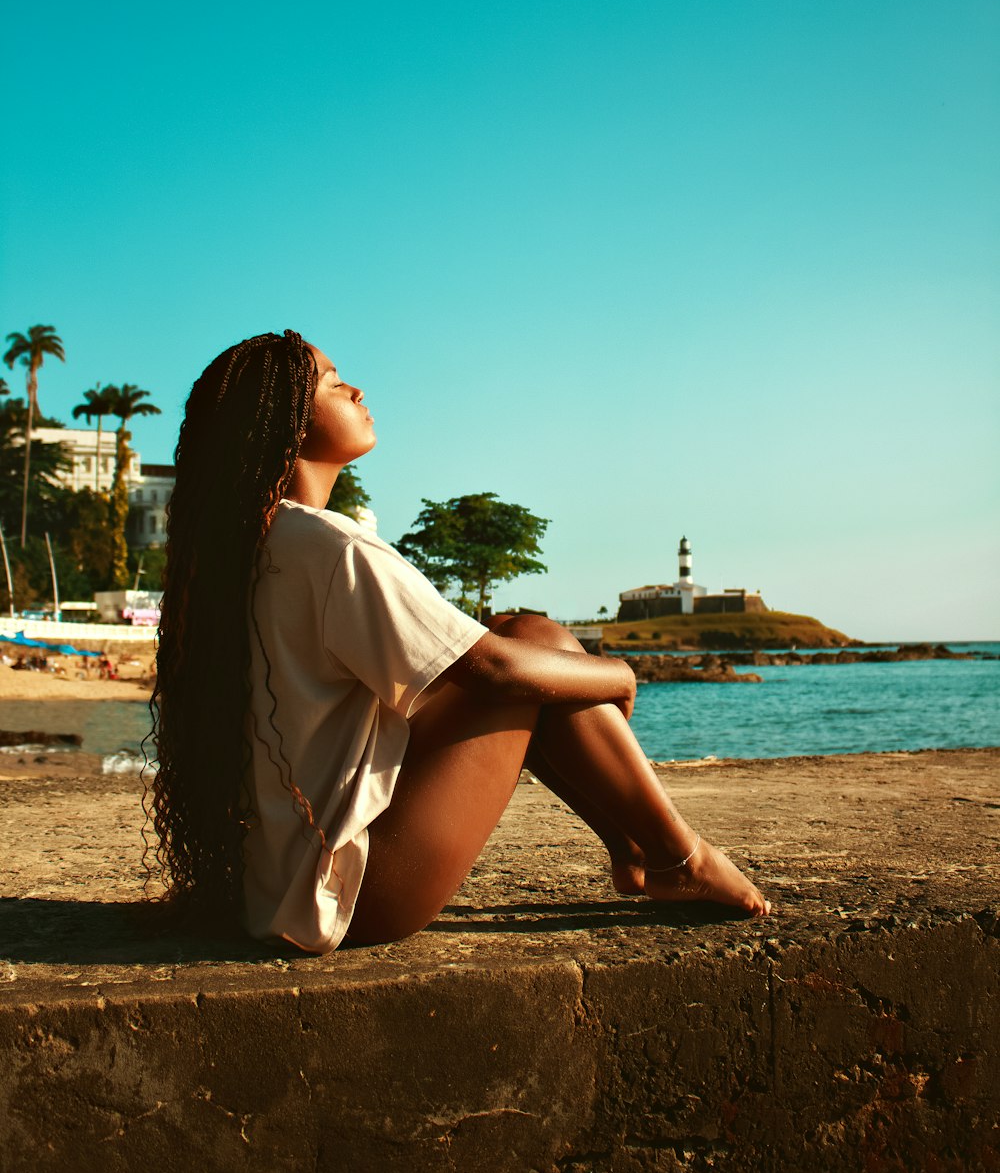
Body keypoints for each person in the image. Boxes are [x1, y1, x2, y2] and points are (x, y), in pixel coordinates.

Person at [149, 330, 768, 952]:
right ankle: (678, 856)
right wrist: (621, 675)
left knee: (532, 642)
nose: (357, 388)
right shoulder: (332, 548)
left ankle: (637, 850)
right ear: (284, 421)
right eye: (334, 381)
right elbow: (491, 670)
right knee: (531, 646)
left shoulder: (254, 546)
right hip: (345, 897)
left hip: (271, 888)